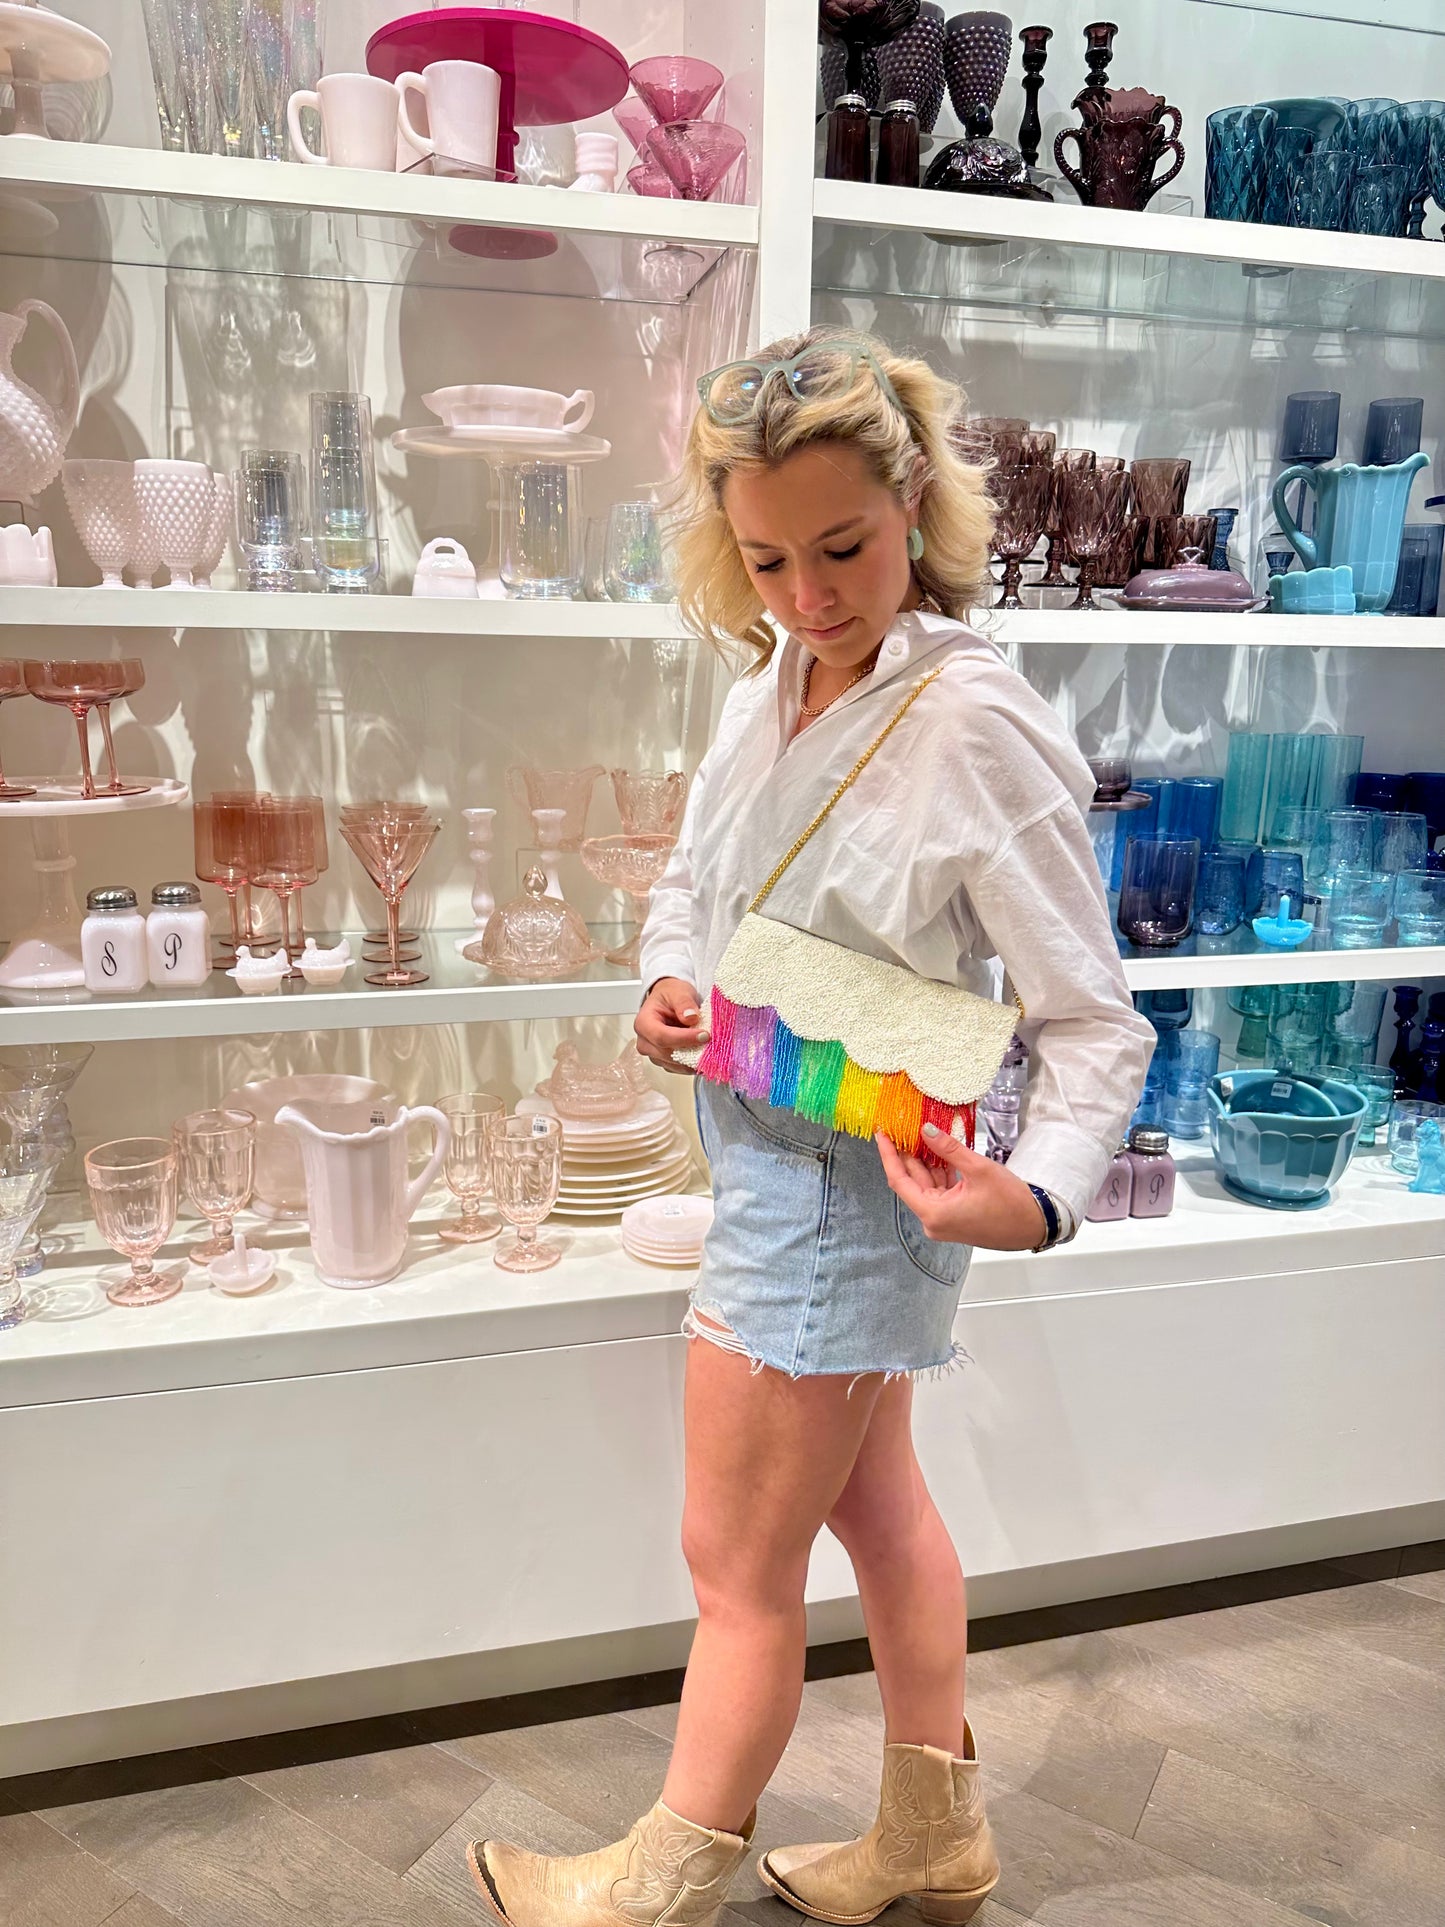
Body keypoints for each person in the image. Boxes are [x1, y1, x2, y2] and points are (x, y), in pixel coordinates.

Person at [465, 329, 1153, 1927]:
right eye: (767, 559)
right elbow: (695, 881)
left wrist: (1039, 1197)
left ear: (910, 503)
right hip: (765, 1136)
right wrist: (669, 980)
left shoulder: (972, 723)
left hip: (854, 1182)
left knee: (732, 1563)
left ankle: (660, 1881)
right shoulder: (765, 685)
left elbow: (1091, 1015)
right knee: (876, 1509)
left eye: (841, 547)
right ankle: (931, 1835)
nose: (807, 594)